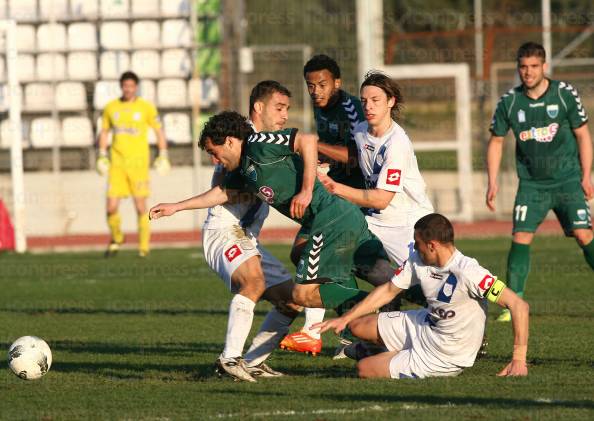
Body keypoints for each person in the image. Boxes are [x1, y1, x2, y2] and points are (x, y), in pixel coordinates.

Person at [149, 111, 394, 358]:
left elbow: (307, 140)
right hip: (336, 219)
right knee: (390, 279)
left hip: (330, 219)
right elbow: (222, 193)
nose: (215, 160)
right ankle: (394, 315)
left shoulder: (259, 144)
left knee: (303, 293)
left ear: (231, 142)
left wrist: (307, 190)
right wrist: (176, 207)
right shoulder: (243, 168)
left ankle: (372, 310)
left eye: (214, 152)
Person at [316, 213, 530, 379]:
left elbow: (519, 305)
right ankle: (389, 352)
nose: (414, 248)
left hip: (445, 353)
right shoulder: (419, 260)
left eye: (417, 243)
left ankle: (392, 357)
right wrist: (345, 318)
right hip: (426, 324)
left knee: (365, 370)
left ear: (432, 245)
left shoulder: (469, 272)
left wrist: (518, 359)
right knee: (357, 326)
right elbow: (389, 290)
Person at [486, 42, 594, 322]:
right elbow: (496, 141)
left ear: (544, 66)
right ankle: (513, 303)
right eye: (523, 66)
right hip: (532, 185)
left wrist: (586, 176)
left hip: (567, 180)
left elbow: (583, 134)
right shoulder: (510, 101)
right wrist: (492, 181)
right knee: (520, 237)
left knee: (584, 234)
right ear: (518, 67)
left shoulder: (564, 94)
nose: (528, 72)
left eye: (534, 66)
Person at [201, 81, 300, 382]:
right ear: (259, 108)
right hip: (223, 230)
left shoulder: (268, 143)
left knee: (291, 300)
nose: (284, 116)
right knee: (254, 282)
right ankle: (229, 359)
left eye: (286, 110)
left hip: (247, 237)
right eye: (278, 108)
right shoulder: (237, 136)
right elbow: (224, 179)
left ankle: (253, 361)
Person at [282, 55, 368, 355]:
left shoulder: (350, 109)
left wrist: (313, 146)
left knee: (340, 261)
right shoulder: (322, 110)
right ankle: (346, 327)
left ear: (337, 83)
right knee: (303, 253)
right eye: (310, 85)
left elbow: (357, 158)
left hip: (357, 198)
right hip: (334, 194)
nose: (315, 91)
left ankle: (323, 330)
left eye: (322, 84)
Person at [97, 71, 170, 258]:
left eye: (131, 86)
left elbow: (159, 131)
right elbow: (104, 132)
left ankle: (143, 248)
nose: (128, 89)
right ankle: (117, 238)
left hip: (138, 166)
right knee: (111, 207)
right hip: (117, 165)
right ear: (121, 87)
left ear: (136, 87)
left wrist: (163, 154)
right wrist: (102, 154)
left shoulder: (146, 107)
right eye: (125, 86)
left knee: (140, 207)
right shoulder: (110, 108)